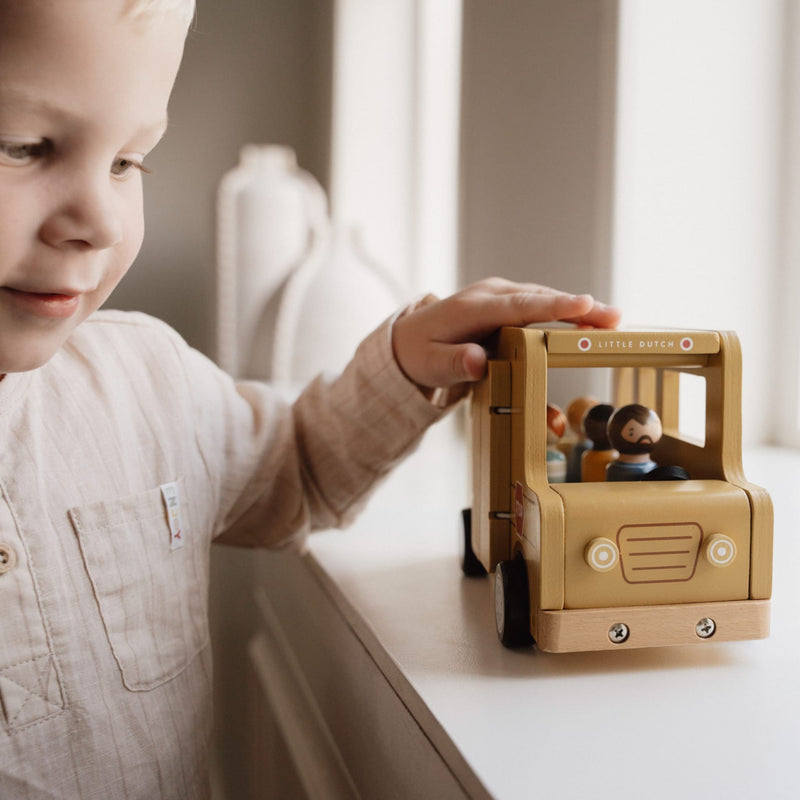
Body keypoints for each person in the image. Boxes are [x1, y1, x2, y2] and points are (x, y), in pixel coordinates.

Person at [0, 0, 621, 796]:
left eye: (127, 162)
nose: (98, 221)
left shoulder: (147, 381)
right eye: (20, 145)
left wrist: (407, 361)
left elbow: (295, 467)